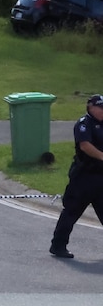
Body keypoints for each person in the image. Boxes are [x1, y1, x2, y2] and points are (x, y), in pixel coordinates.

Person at [49, 94, 103, 258]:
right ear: (90, 107)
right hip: (83, 178)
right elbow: (85, 146)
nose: (102, 111)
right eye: (100, 108)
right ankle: (58, 246)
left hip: (100, 178)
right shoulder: (83, 124)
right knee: (71, 212)